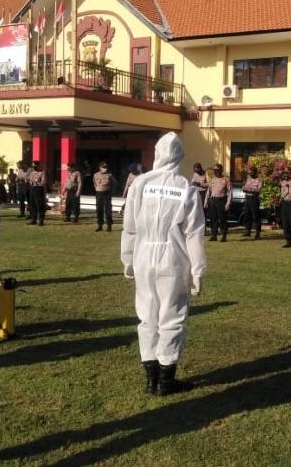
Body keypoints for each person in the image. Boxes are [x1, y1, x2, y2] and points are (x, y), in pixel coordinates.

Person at [121, 132, 206, 396]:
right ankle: (165, 381)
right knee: (172, 316)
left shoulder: (140, 183)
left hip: (143, 256)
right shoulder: (185, 188)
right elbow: (193, 234)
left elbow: (130, 226)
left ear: (157, 154)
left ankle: (151, 379)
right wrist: (197, 270)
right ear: (179, 156)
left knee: (147, 316)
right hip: (173, 259)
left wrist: (127, 258)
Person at [204, 163, 231, 242]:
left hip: (221, 201)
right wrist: (206, 201)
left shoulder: (226, 179)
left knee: (222, 219)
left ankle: (223, 235)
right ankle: (214, 235)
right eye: (215, 170)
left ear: (221, 170)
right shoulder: (212, 179)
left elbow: (230, 192)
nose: (216, 172)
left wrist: (228, 203)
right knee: (213, 219)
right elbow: (209, 191)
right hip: (213, 201)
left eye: (218, 170)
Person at [94, 161, 117, 232]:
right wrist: (97, 189)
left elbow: (115, 183)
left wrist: (112, 191)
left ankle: (109, 226)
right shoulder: (95, 175)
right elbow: (94, 183)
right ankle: (100, 225)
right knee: (99, 209)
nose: (105, 168)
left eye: (106, 167)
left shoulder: (109, 175)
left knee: (108, 210)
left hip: (107, 193)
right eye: (103, 167)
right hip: (99, 193)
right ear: (100, 167)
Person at [242, 165, 263, 239]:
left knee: (256, 215)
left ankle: (257, 232)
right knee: (247, 215)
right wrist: (248, 189)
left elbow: (259, 190)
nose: (250, 173)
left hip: (254, 198)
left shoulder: (259, 179)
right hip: (247, 198)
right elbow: (244, 188)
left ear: (255, 172)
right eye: (249, 172)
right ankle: (247, 231)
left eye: (251, 172)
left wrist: (249, 189)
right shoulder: (248, 178)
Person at [28, 161, 47, 226]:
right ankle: (34, 219)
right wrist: (31, 182)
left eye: (35, 166)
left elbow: (43, 182)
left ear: (38, 166)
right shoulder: (32, 172)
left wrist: (36, 182)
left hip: (38, 189)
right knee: (32, 205)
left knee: (39, 205)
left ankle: (41, 220)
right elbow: (29, 180)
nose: (34, 167)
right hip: (32, 189)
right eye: (33, 166)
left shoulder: (42, 172)